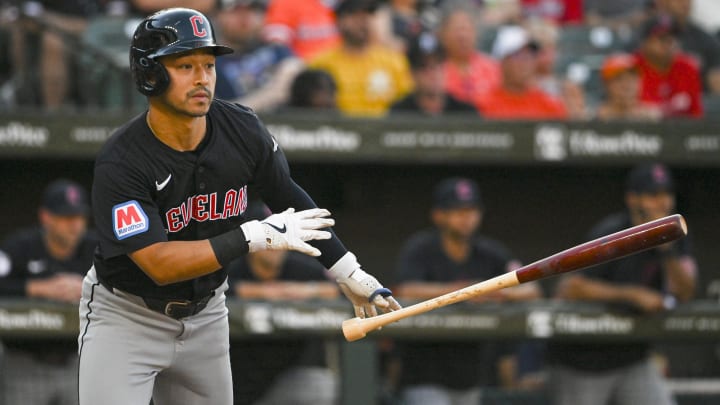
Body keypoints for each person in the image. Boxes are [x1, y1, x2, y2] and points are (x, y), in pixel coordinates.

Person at [77, 8, 400, 405]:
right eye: (185, 65)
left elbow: (287, 195)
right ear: (150, 74)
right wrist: (252, 236)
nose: (202, 78)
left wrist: (348, 270)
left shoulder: (242, 128)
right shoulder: (122, 160)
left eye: (209, 64)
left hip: (206, 314)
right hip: (127, 315)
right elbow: (158, 263)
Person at [546, 162, 697, 405]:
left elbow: (686, 292)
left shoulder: (675, 235)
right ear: (632, 199)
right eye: (653, 195)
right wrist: (631, 294)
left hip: (632, 357)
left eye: (666, 194)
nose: (663, 202)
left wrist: (667, 251)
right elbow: (569, 287)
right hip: (584, 360)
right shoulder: (613, 234)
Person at [392, 177, 541, 405]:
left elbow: (531, 290)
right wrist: (464, 291)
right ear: (439, 215)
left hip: (472, 372)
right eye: (458, 211)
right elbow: (404, 289)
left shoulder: (490, 252)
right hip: (425, 370)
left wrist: (496, 292)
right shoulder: (421, 248)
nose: (466, 218)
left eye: (471, 210)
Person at [227, 202, 339, 405]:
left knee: (318, 384)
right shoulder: (232, 266)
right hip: (236, 376)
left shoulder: (300, 267)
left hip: (286, 375)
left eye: (282, 235)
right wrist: (262, 292)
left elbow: (336, 289)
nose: (275, 244)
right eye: (268, 236)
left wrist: (302, 290)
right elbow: (216, 289)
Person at [0, 179, 96, 405]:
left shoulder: (96, 248)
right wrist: (38, 288)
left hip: (78, 363)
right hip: (26, 364)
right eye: (67, 218)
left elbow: (126, 283)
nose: (75, 226)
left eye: (80, 217)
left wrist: (87, 286)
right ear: (46, 217)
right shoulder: (20, 246)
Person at [309, 0, 414, 117]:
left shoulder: (394, 62)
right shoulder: (321, 64)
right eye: (356, 14)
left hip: (383, 131)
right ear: (340, 19)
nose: (363, 21)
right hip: (339, 131)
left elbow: (407, 105)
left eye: (368, 14)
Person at [213, 0, 305, 112]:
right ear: (218, 16)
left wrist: (237, 111)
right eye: (236, 11)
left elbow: (294, 77)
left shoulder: (277, 50)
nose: (245, 18)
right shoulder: (210, 61)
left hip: (284, 126)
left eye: (253, 10)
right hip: (236, 127)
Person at [477, 25, 568, 119]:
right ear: (502, 61)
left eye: (530, 55)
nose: (525, 62)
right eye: (518, 56)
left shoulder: (551, 106)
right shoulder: (481, 106)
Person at [390, 32, 478, 116]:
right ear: (412, 73)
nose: (433, 73)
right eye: (423, 66)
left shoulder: (464, 112)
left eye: (438, 64)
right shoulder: (399, 112)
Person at [634, 15, 703, 118]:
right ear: (645, 43)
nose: (668, 43)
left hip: (682, 131)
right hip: (642, 132)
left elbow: (696, 114)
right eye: (662, 38)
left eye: (673, 37)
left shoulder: (688, 68)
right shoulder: (631, 67)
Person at [437, 5, 500, 110]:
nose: (462, 36)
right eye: (456, 30)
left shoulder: (493, 68)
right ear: (442, 34)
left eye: (467, 29)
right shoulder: (435, 70)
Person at [654, 0, 720, 93]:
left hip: (696, 100)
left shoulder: (705, 39)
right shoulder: (647, 33)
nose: (684, 3)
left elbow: (716, 81)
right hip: (653, 98)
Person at [262, 0, 340, 60]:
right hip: (300, 69)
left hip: (338, 65)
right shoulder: (286, 3)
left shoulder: (338, 4)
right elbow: (277, 43)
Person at [596, 53, 662, 121]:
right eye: (619, 79)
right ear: (606, 84)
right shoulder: (596, 117)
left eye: (632, 78)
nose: (626, 85)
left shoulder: (652, 116)